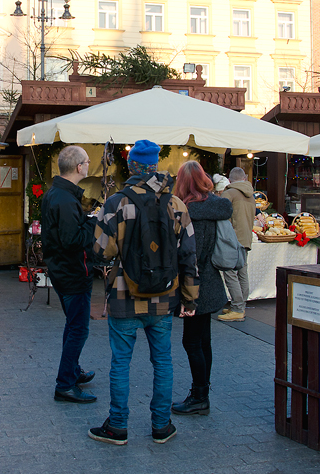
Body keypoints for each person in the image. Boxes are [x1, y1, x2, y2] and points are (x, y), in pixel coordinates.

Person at [88, 139, 198, 446]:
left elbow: (100, 250)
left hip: (125, 296)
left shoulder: (117, 203)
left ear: (132, 166)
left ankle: (118, 427)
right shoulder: (177, 205)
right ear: (154, 167)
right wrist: (190, 299)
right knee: (162, 361)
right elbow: (189, 256)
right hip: (165, 298)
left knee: (121, 362)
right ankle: (161, 426)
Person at [171, 161, 232, 416]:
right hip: (212, 282)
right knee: (203, 340)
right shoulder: (218, 206)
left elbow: (188, 255)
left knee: (191, 341)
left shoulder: (187, 213)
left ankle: (199, 395)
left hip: (193, 285)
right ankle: (202, 391)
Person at [41, 145, 98, 404]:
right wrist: (93, 222)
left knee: (73, 326)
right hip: (73, 273)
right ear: (79, 167)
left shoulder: (60, 194)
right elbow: (72, 239)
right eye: (87, 161)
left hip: (65, 271)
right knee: (78, 329)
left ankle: (72, 372)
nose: (89, 164)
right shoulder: (63, 198)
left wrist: (86, 219)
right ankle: (65, 383)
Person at [219, 167, 254, 322]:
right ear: (244, 178)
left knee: (230, 272)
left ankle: (237, 309)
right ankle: (240, 306)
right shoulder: (251, 195)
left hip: (231, 239)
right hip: (246, 238)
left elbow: (220, 215)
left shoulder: (229, 193)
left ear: (230, 179)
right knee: (242, 272)